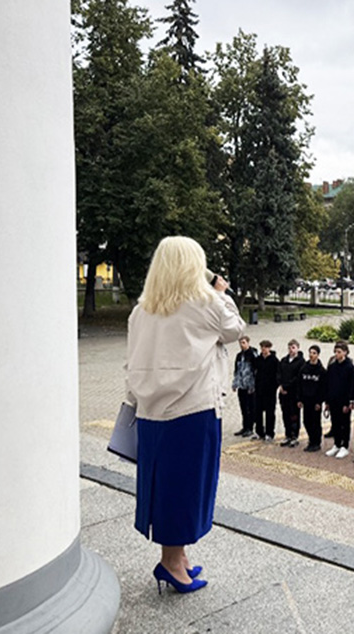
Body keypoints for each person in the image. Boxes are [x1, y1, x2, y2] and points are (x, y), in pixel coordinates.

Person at [126, 236, 244, 594]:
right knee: (188, 487)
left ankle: (179, 556)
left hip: (149, 411)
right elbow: (236, 329)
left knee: (164, 485)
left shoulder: (141, 309)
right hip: (192, 408)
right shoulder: (205, 303)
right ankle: (172, 562)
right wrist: (222, 291)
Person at [324, 341, 354, 458]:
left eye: (339, 352)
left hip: (344, 401)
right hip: (333, 400)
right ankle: (336, 444)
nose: (336, 354)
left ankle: (344, 446)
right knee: (335, 422)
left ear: (345, 352)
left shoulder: (349, 367)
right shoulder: (332, 367)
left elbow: (351, 386)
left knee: (344, 423)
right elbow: (328, 384)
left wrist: (349, 402)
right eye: (335, 352)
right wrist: (327, 401)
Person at [297, 344, 327, 452]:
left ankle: (316, 442)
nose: (311, 355)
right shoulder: (304, 368)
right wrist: (299, 399)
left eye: (314, 353)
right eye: (310, 352)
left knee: (315, 422)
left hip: (315, 401)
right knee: (307, 421)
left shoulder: (321, 371)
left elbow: (323, 388)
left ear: (318, 355)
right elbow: (299, 384)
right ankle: (311, 440)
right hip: (306, 400)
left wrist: (319, 402)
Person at [278, 340, 305, 447]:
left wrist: (287, 386)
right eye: (289, 347)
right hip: (283, 393)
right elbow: (279, 373)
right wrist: (281, 385)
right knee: (285, 414)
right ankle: (287, 434)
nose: (291, 350)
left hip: (294, 393)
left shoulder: (301, 362)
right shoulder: (284, 360)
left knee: (294, 415)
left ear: (298, 348)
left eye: (293, 347)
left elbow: (297, 378)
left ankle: (295, 435)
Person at [252, 340, 279, 441]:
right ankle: (259, 431)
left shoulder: (274, 360)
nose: (263, 349)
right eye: (262, 347)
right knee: (258, 412)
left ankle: (269, 433)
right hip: (259, 390)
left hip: (270, 391)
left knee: (270, 413)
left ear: (269, 348)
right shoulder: (258, 359)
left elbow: (277, 375)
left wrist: (274, 387)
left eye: (265, 347)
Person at [232, 335, 257, 437]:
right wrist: (235, 383)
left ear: (248, 342)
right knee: (243, 407)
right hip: (241, 385)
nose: (242, 345)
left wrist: (252, 386)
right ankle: (245, 426)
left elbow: (255, 371)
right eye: (240, 343)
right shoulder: (239, 356)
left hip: (249, 386)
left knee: (250, 407)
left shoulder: (252, 354)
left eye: (243, 342)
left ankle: (250, 427)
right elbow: (237, 371)